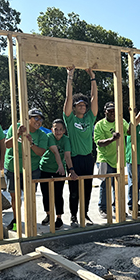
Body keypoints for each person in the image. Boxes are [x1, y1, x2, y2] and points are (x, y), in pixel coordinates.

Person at [63, 66, 98, 226]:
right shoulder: (70, 119)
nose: (83, 106)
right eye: (79, 105)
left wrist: (92, 77)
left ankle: (85, 215)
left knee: (88, 190)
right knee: (74, 191)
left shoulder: (89, 118)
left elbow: (94, 98)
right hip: (75, 159)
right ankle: (74, 216)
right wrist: (70, 77)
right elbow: (68, 99)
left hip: (88, 159)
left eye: (84, 104)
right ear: (75, 107)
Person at [4, 108, 48, 230]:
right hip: (12, 168)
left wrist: (31, 144)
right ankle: (15, 220)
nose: (38, 121)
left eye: (41, 119)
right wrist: (17, 134)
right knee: (15, 196)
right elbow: (7, 145)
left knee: (30, 196)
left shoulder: (42, 135)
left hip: (31, 169)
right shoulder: (15, 127)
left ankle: (30, 221)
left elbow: (41, 153)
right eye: (36, 118)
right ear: (27, 119)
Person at [94, 102, 130, 218]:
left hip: (118, 158)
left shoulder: (121, 121)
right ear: (105, 112)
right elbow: (99, 142)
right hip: (104, 159)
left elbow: (129, 131)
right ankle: (103, 207)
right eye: (109, 111)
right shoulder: (99, 125)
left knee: (118, 185)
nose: (112, 113)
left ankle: (117, 207)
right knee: (105, 184)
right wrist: (112, 139)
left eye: (114, 110)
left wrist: (133, 115)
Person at [39, 119, 77, 229]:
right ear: (52, 129)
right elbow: (55, 151)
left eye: (61, 129)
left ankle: (59, 217)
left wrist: (71, 170)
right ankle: (48, 215)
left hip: (59, 171)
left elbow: (67, 156)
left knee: (58, 194)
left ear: (64, 131)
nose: (58, 132)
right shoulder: (49, 137)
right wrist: (60, 164)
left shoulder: (66, 140)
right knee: (46, 194)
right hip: (46, 168)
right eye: (56, 129)